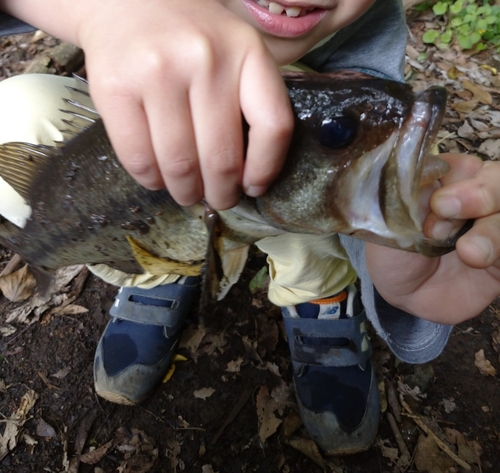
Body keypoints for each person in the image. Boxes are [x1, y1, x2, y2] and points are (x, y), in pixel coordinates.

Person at [1, 0, 500, 456]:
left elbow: (352, 187)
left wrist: (402, 255)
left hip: (278, 209)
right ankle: (156, 275)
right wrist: (102, 12)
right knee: (17, 108)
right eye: (339, 129)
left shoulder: (363, 30)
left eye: (336, 131)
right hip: (122, 193)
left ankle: (320, 296)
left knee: (297, 132)